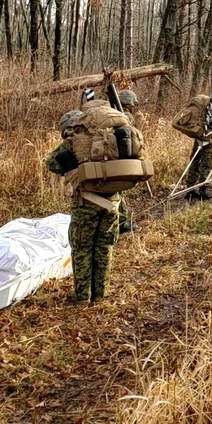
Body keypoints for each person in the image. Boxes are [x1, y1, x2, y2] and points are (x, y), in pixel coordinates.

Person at [45, 108, 127, 305]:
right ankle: (100, 293)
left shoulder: (73, 141)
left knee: (82, 248)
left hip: (86, 204)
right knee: (104, 246)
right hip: (112, 203)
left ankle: (82, 297)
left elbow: (51, 164)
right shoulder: (110, 137)